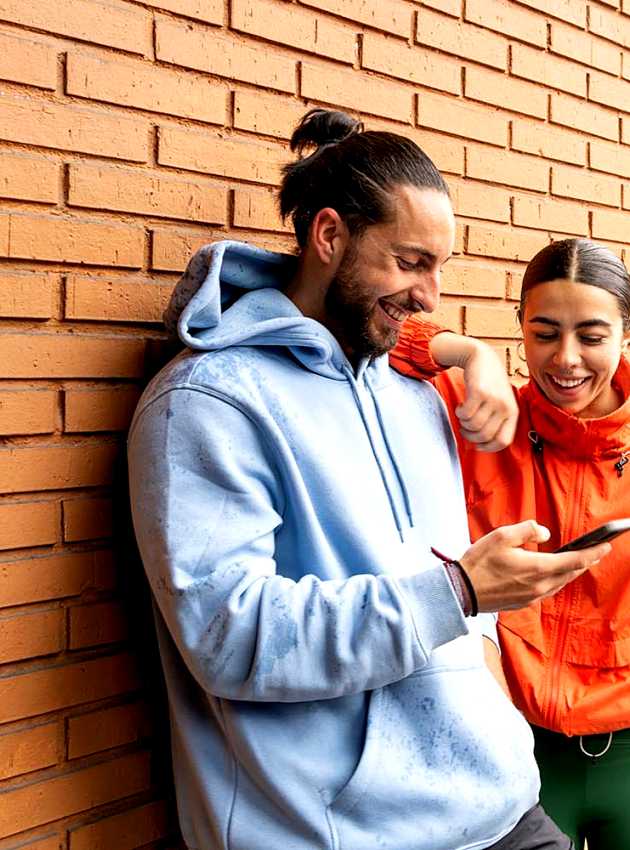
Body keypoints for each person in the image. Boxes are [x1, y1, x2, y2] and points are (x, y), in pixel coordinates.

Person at [127, 110, 608, 850]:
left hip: (504, 809)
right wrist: (462, 593)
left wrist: (493, 691)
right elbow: (229, 634)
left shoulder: (415, 395)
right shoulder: (208, 403)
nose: (431, 295)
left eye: (439, 268)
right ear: (329, 237)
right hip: (341, 834)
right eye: (412, 262)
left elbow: (459, 599)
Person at [391, 237, 630, 850]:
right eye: (544, 332)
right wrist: (471, 354)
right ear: (520, 328)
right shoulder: (482, 417)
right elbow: (373, 325)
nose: (567, 359)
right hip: (510, 745)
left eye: (592, 336)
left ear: (625, 333)